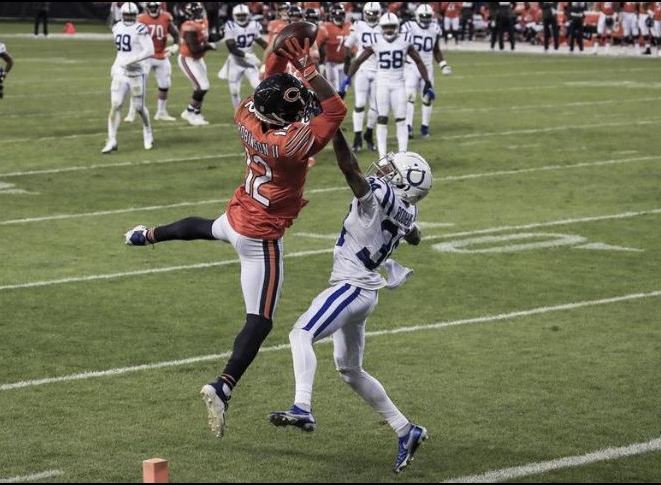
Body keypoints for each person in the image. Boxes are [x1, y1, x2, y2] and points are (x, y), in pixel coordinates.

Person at [124, 37, 347, 439]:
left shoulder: (245, 115)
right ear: (283, 117)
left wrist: (281, 52)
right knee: (259, 322)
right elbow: (335, 108)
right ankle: (223, 386)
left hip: (238, 214)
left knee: (208, 228)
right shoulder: (290, 146)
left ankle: (148, 234)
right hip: (262, 236)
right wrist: (309, 69)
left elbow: (268, 82)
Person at [268, 128, 433, 474]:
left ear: (403, 186)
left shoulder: (382, 196)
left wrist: (334, 130)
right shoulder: (409, 212)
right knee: (350, 370)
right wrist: (410, 233)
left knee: (300, 334)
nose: (384, 171)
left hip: (353, 285)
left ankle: (302, 405)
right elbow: (413, 233)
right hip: (366, 290)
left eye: (392, 173)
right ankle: (406, 429)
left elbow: (350, 169)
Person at [347, 12, 433, 159]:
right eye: (386, 27)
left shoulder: (405, 40)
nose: (389, 30)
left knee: (401, 119)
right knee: (382, 119)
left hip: (399, 84)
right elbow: (358, 60)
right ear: (381, 28)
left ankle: (403, 155)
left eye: (392, 27)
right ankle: (382, 158)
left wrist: (427, 81)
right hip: (382, 84)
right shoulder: (376, 40)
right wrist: (348, 77)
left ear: (397, 27)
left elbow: (418, 61)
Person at [102, 2, 154, 154]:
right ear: (122, 15)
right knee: (116, 104)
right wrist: (117, 64)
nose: (129, 18)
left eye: (132, 15)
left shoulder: (140, 28)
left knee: (138, 107)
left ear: (136, 15)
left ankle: (147, 130)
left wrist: (134, 59)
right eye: (127, 15)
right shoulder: (117, 27)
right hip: (120, 70)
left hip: (136, 70)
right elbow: (121, 52)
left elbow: (149, 50)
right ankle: (111, 139)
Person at [125, 2, 181, 123]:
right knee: (138, 85)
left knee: (165, 85)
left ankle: (161, 112)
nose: (153, 9)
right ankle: (132, 112)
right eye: (151, 7)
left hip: (161, 55)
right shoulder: (140, 19)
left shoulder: (166, 17)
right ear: (147, 8)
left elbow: (176, 34)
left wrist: (176, 46)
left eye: (155, 7)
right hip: (146, 56)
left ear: (159, 7)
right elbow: (131, 36)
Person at [404, 3, 451, 140]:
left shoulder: (435, 29)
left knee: (427, 98)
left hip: (428, 67)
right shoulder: (408, 27)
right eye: (423, 17)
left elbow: (436, 49)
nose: (425, 19)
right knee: (410, 97)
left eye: (427, 17)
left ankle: (425, 127)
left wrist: (443, 64)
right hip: (411, 66)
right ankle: (408, 127)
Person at [343, 1, 382, 153]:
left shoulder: (384, 26)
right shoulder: (358, 25)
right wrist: (347, 62)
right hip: (362, 69)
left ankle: (369, 133)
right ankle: (358, 136)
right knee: (359, 103)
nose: (372, 17)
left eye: (374, 14)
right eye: (369, 14)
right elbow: (348, 44)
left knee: (376, 106)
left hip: (379, 70)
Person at [219, 3, 267, 109]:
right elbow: (231, 47)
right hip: (235, 62)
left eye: (243, 15)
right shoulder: (230, 26)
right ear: (234, 16)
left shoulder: (253, 25)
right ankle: (238, 113)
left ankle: (261, 111)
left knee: (259, 87)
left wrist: (271, 50)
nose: (241, 17)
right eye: (239, 15)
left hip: (249, 62)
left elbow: (261, 42)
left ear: (248, 15)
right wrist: (246, 55)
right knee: (234, 91)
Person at [178, 2, 217, 126]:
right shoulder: (188, 26)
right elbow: (194, 48)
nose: (198, 14)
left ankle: (193, 112)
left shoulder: (203, 21)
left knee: (201, 87)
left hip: (198, 58)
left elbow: (206, 37)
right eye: (195, 12)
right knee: (202, 86)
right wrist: (208, 47)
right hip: (187, 58)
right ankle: (191, 113)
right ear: (189, 14)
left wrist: (215, 37)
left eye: (199, 11)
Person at [320, 3, 352, 98]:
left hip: (345, 63)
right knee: (335, 91)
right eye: (336, 14)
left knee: (343, 90)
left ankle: (340, 109)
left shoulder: (349, 26)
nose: (338, 17)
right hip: (331, 63)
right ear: (331, 15)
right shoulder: (326, 27)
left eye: (340, 14)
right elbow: (319, 45)